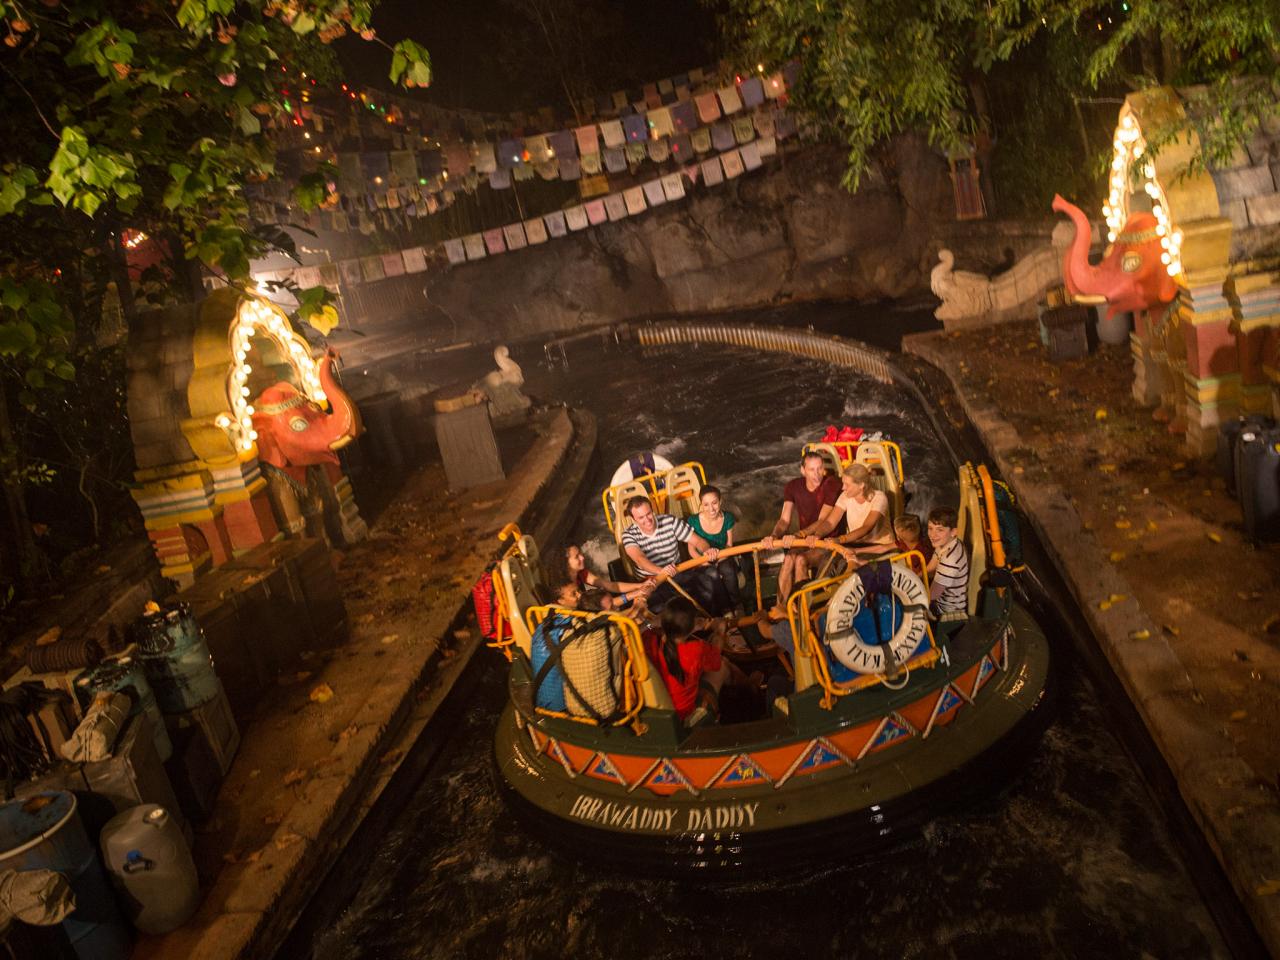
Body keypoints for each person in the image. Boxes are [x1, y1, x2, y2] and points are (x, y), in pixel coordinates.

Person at [642, 597, 756, 723]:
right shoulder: (697, 650)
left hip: (663, 709)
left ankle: (747, 685)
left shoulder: (650, 640)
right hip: (686, 715)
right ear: (690, 627)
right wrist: (720, 630)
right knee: (724, 665)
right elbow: (716, 662)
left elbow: (646, 628)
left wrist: (652, 622)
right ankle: (751, 689)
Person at [761, 451, 841, 614]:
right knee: (789, 558)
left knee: (800, 560)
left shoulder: (831, 484)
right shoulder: (792, 486)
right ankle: (781, 608)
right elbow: (784, 520)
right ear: (803, 470)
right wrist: (773, 536)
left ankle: (803, 610)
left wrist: (798, 535)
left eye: (820, 469)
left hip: (826, 541)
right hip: (804, 540)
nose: (817, 474)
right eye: (812, 470)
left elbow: (823, 520)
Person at [621, 496, 730, 614]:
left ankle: (722, 615)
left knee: (711, 575)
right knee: (658, 609)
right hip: (652, 582)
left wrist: (707, 550)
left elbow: (698, 541)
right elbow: (640, 559)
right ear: (633, 519)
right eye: (641, 517)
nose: (647, 519)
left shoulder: (670, 521)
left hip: (677, 572)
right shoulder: (628, 535)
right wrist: (661, 571)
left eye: (648, 514)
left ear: (653, 511)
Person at [685, 485, 745, 615]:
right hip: (702, 560)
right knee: (712, 574)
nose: (711, 509)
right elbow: (692, 550)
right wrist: (705, 562)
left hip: (723, 556)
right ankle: (726, 609)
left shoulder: (728, 518)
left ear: (720, 501)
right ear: (701, 505)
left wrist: (718, 560)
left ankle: (737, 604)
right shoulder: (693, 521)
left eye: (714, 503)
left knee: (727, 570)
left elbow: (729, 545)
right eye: (706, 505)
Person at [813, 463, 896, 555]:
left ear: (861, 485)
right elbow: (830, 522)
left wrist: (840, 539)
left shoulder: (879, 497)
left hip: (879, 547)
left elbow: (867, 527)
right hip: (856, 544)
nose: (843, 487)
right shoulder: (845, 495)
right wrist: (817, 535)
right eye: (843, 483)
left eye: (847, 485)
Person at [564, 544, 654, 608]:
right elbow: (604, 606)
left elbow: (610, 585)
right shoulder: (566, 589)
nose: (582, 557)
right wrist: (636, 594)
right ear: (565, 563)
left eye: (580, 553)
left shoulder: (581, 573)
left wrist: (640, 586)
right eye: (576, 557)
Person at [926, 506, 969, 615]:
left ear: (953, 531)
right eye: (930, 528)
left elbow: (932, 595)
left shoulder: (950, 560)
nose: (932, 535)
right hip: (939, 599)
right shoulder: (944, 543)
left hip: (946, 609)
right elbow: (931, 567)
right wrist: (914, 575)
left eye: (940, 530)